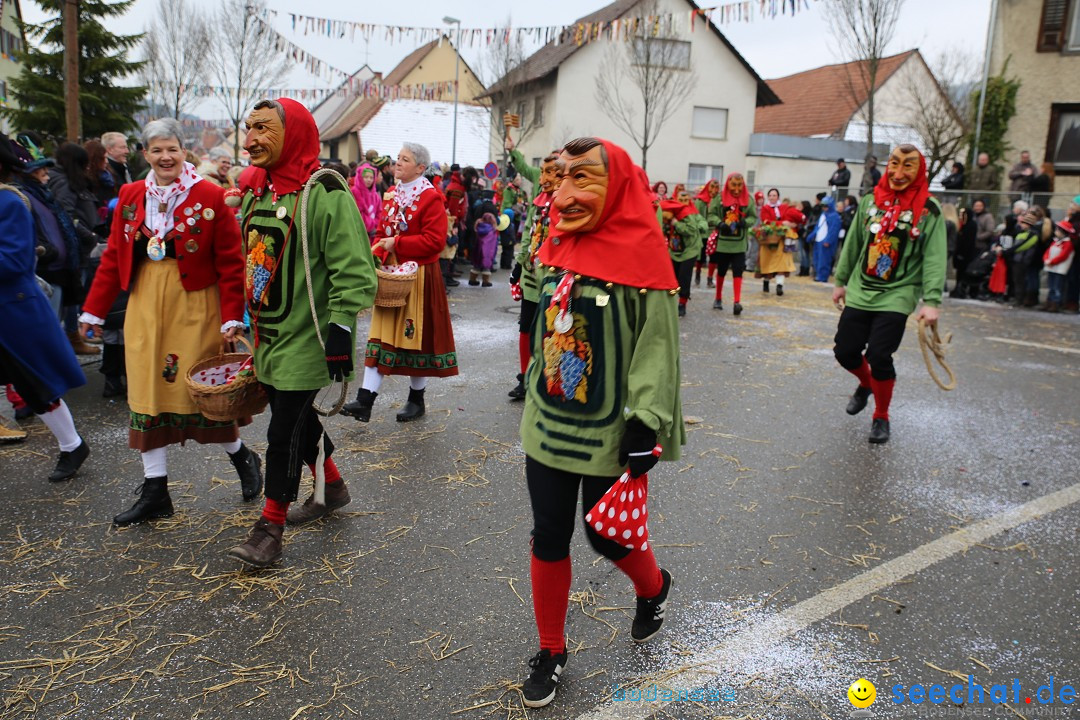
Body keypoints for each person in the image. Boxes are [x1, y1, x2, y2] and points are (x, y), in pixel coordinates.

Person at [518, 136, 684, 709]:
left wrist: (646, 422)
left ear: (615, 185)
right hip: (549, 422)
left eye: (580, 178)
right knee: (549, 535)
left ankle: (653, 587)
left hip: (610, 429)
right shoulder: (557, 243)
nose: (561, 194)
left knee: (607, 534)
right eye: (558, 178)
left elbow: (657, 348)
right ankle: (551, 649)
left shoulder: (646, 257)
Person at [79, 118, 264, 526]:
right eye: (157, 150)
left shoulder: (211, 195)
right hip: (145, 306)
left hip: (196, 306)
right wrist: (93, 310)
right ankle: (155, 490)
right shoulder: (130, 196)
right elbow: (112, 258)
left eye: (172, 149)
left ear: (185, 153)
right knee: (147, 393)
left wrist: (233, 316)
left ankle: (243, 457)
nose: (166, 157)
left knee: (203, 394)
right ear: (145, 154)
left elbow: (232, 263)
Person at [224, 99, 377, 567]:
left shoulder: (327, 195)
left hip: (308, 336)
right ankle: (333, 486)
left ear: (293, 135)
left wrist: (339, 331)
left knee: (283, 431)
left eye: (264, 129)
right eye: (249, 128)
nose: (250, 139)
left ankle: (269, 527)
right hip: (268, 335)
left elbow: (355, 273)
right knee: (300, 420)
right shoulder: (260, 194)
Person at [831, 144, 946, 444]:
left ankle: (881, 416)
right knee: (845, 351)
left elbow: (935, 257)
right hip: (860, 289)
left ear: (919, 171)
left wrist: (931, 301)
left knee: (880, 355)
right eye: (894, 164)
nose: (897, 172)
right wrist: (840, 281)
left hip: (898, 292)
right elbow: (854, 243)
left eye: (907, 166)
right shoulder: (870, 202)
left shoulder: (929, 210)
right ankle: (867, 384)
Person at [341, 142, 458, 424]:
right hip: (392, 276)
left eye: (405, 160)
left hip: (419, 277)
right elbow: (383, 230)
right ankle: (365, 400)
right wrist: (378, 251)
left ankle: (416, 400)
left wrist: (398, 242)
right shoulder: (392, 194)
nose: (398, 163)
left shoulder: (432, 198)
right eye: (398, 159)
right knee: (381, 334)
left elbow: (435, 242)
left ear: (420, 167)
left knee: (413, 341)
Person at [0, 134, 91, 481]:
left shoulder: (9, 202)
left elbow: (14, 261)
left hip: (13, 312)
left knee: (36, 386)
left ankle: (72, 445)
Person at [705, 173, 755, 313]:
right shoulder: (719, 198)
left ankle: (737, 302)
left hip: (739, 244)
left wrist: (744, 222)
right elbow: (711, 214)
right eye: (734, 185)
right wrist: (719, 223)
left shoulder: (748, 199)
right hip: (723, 243)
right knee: (721, 270)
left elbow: (753, 216)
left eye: (739, 185)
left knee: (738, 271)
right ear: (728, 184)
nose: (737, 189)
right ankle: (718, 298)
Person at [662, 187, 706, 317]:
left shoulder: (692, 213)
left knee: (684, 277)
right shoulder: (670, 212)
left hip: (690, 249)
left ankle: (682, 303)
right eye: (680, 200)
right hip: (675, 249)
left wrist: (677, 224)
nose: (683, 202)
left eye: (686, 200)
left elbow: (697, 227)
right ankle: (670, 303)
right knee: (672, 277)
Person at [754, 187, 803, 295]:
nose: (772, 197)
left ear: (778, 197)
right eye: (770, 195)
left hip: (781, 239)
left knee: (781, 263)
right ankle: (766, 282)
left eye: (774, 195)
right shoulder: (765, 208)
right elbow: (766, 221)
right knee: (767, 261)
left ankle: (779, 285)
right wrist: (782, 223)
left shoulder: (784, 207)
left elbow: (790, 217)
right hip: (769, 240)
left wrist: (792, 223)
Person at [1040, 220, 1075, 312]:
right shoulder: (1055, 242)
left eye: (1058, 230)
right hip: (1051, 267)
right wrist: (1046, 259)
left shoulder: (1068, 244)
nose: (1056, 232)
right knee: (1051, 286)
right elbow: (1048, 252)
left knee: (1057, 287)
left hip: (1059, 269)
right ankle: (1049, 302)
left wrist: (1052, 262)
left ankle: (1056, 303)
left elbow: (1063, 256)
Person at [692, 179, 719, 287]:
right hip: (703, 232)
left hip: (714, 231)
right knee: (701, 256)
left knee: (714, 256)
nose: (713, 190)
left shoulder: (717, 200)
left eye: (716, 187)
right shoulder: (700, 201)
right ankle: (698, 274)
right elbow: (697, 216)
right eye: (712, 187)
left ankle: (710, 278)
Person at [812, 196, 843, 282]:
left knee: (824, 260)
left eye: (826, 206)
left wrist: (828, 240)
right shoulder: (823, 214)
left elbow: (834, 230)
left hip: (825, 241)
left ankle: (823, 277)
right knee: (817, 259)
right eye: (823, 206)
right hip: (819, 240)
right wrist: (812, 235)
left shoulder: (834, 216)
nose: (824, 208)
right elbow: (818, 226)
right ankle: (818, 275)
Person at [351, 162, 383, 237]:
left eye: (371, 177)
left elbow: (379, 212)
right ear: (360, 177)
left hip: (372, 234)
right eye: (365, 177)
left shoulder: (375, 195)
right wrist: (370, 225)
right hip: (358, 233)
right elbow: (356, 213)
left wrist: (375, 224)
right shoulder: (354, 192)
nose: (369, 180)